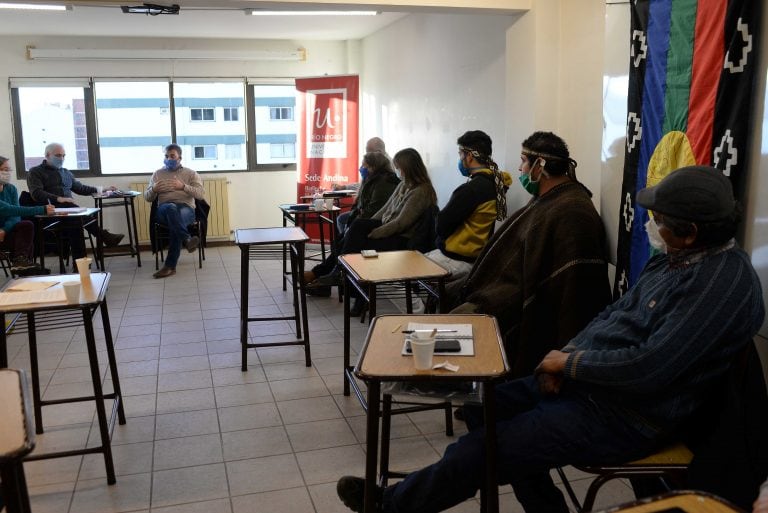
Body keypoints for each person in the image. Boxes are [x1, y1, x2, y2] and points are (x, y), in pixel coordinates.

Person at [336, 165, 765, 513]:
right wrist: (567, 357)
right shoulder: (675, 260)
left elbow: (651, 365)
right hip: (594, 387)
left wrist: (571, 366)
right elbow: (613, 316)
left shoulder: (721, 285)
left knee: (484, 451)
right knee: (479, 406)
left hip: (628, 413)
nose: (652, 225)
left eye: (660, 221)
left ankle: (391, 506)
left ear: (689, 230)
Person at [448, 131, 611, 378]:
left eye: (523, 160)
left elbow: (572, 287)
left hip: (524, 300)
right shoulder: (548, 198)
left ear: (539, 165)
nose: (519, 167)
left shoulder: (573, 210)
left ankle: (475, 390)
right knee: (447, 293)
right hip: (509, 287)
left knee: (456, 319)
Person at [309, 147, 438, 290]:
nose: (397, 171)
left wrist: (374, 232)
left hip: (401, 238)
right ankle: (336, 273)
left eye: (399, 167)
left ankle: (334, 273)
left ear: (408, 168)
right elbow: (385, 210)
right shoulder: (404, 184)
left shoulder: (421, 191)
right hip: (389, 229)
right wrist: (370, 225)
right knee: (354, 230)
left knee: (355, 240)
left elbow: (400, 223)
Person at [304, 151, 400, 296]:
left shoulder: (384, 183)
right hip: (366, 224)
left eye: (364, 165)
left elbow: (374, 211)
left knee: (346, 238)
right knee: (341, 239)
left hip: (377, 227)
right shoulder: (372, 180)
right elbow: (360, 207)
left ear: (374, 167)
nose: (361, 168)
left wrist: (354, 224)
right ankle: (324, 276)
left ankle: (327, 275)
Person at [424, 130, 511, 282]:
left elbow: (442, 226)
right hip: (476, 258)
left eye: (460, 154)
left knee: (401, 276)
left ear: (469, 156)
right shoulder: (496, 184)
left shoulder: (471, 189)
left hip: (457, 259)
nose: (460, 159)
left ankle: (420, 307)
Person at [27, 143, 125, 255]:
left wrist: (102, 189)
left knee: (76, 222)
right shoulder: (35, 172)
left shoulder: (66, 172)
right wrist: (58, 199)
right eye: (58, 155)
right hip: (49, 212)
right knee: (76, 217)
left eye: (64, 155)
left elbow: (81, 188)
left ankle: (80, 263)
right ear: (47, 155)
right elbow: (36, 193)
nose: (62, 158)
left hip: (70, 212)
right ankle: (104, 238)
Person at [144, 144, 205, 279]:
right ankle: (187, 239)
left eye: (172, 156)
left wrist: (183, 186)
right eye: (166, 156)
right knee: (171, 209)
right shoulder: (158, 174)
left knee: (175, 222)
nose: (168, 158)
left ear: (179, 158)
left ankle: (170, 267)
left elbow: (200, 194)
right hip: (164, 210)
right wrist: (154, 189)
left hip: (186, 209)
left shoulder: (191, 174)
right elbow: (147, 198)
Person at [0, 155, 54, 275]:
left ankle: (21, 262)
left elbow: (15, 215)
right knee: (23, 239)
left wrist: (4, 229)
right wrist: (42, 209)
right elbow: (9, 209)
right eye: (4, 170)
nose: (7, 173)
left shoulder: (11, 189)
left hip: (4, 233)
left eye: (8, 170)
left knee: (26, 225)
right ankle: (24, 268)